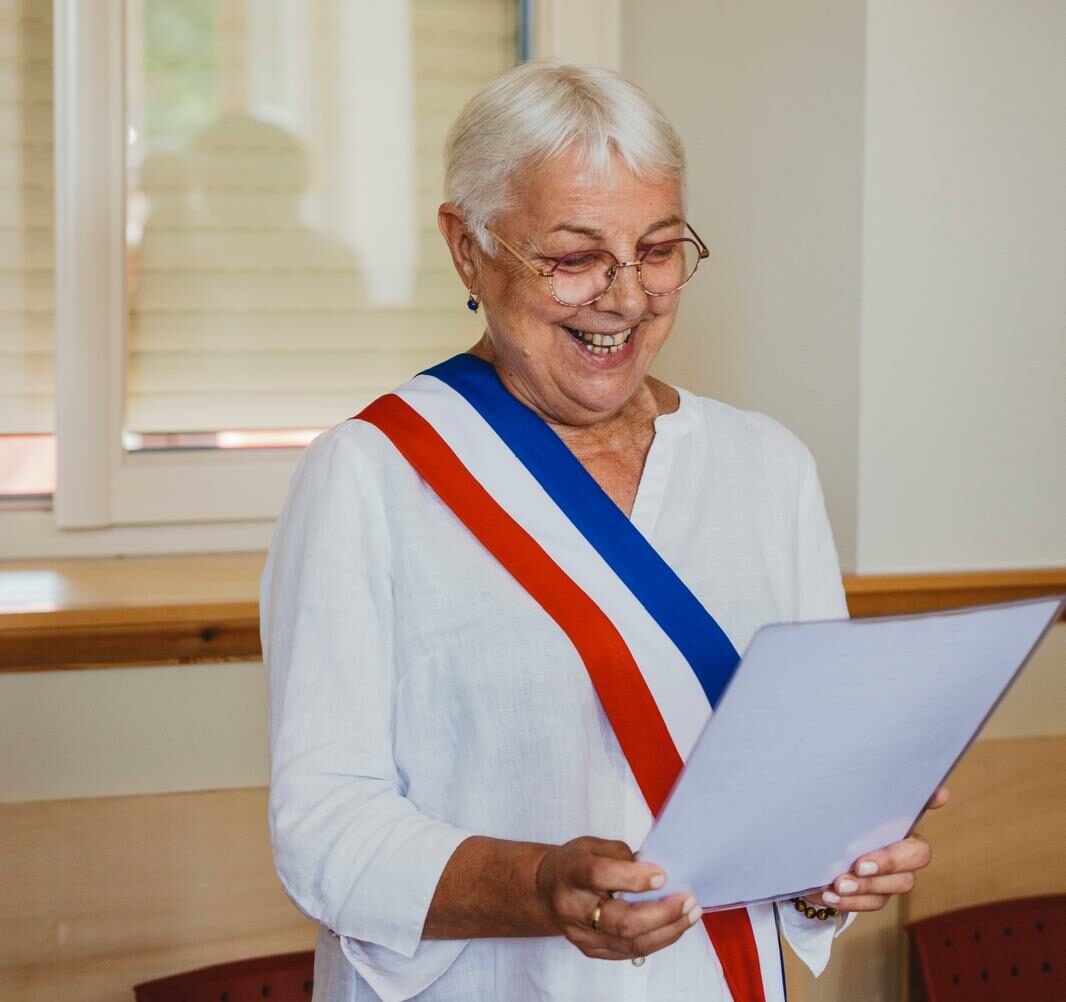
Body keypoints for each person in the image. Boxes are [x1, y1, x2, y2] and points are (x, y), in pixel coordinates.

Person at [261, 60, 941, 1002]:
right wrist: (541, 887)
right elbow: (325, 825)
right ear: (469, 249)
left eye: (658, 249)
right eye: (575, 256)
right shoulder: (372, 475)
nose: (624, 296)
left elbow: (798, 789)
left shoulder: (766, 467)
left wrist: (834, 868)